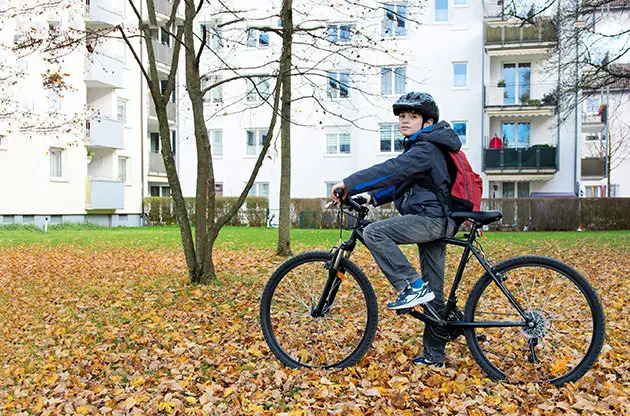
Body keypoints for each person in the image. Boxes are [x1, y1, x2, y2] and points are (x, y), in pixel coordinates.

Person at [330, 92, 460, 368]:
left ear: (428, 122)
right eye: (402, 117)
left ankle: (410, 286)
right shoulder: (426, 148)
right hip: (435, 219)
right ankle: (434, 355)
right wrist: (371, 198)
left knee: (375, 232)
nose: (404, 121)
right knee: (434, 290)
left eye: (412, 117)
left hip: (430, 220)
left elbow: (392, 169)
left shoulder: (425, 149)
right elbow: (400, 182)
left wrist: (350, 184)